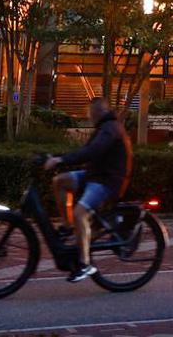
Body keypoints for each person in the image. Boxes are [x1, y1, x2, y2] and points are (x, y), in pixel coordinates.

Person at [44, 96, 133, 282]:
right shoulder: (103, 128)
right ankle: (68, 227)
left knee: (80, 213)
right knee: (60, 181)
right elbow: (85, 151)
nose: (88, 117)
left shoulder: (110, 129)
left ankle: (85, 264)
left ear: (98, 112)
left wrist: (61, 160)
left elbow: (92, 152)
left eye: (90, 114)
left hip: (107, 182)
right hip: (94, 175)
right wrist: (56, 158)